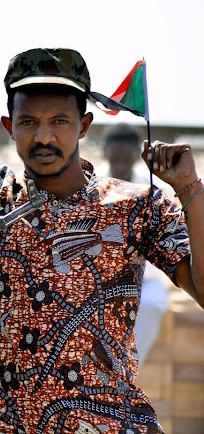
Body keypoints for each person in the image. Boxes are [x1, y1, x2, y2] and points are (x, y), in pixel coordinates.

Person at [0, 48, 204, 433]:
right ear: (8, 125)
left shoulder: (136, 207)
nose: (44, 137)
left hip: (110, 424)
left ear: (83, 126)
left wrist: (189, 190)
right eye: (29, 122)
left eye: (60, 122)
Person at [98, 123, 171, 368]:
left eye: (126, 158)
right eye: (115, 157)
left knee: (154, 304)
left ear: (135, 155)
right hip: (100, 278)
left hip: (144, 279)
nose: (121, 163)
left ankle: (127, 369)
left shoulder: (151, 190)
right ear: (105, 151)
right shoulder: (91, 187)